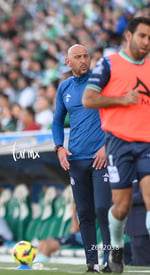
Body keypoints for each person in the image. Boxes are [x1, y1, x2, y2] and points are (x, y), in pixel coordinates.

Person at [82, 17, 150, 273]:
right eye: (142, 36)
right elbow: (89, 99)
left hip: (147, 142)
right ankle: (117, 251)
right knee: (121, 207)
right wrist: (122, 100)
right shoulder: (109, 63)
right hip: (119, 142)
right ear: (128, 36)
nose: (146, 42)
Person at [52, 44, 112, 273]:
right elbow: (57, 121)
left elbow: (117, 114)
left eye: (86, 56)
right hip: (76, 159)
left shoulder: (101, 83)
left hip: (101, 158)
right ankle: (91, 263)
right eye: (78, 57)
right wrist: (59, 147)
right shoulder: (64, 88)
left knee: (103, 209)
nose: (83, 60)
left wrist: (107, 146)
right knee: (84, 212)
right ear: (68, 62)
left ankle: (110, 259)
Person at [125, 179, 150, 266]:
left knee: (143, 263)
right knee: (139, 262)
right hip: (134, 227)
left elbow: (145, 195)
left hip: (142, 227)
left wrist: (123, 197)